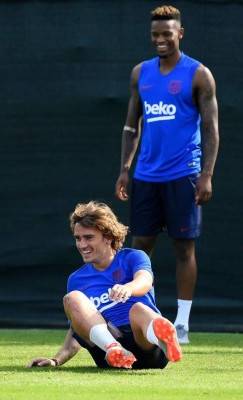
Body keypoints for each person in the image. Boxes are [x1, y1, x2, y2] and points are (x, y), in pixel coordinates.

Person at [115, 5, 219, 344]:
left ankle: (183, 324)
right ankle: (140, 316)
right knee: (139, 246)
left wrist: (206, 174)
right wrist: (125, 170)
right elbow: (132, 126)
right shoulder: (140, 73)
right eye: (155, 35)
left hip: (184, 175)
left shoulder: (198, 74)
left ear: (180, 34)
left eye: (167, 34)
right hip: (146, 176)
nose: (161, 40)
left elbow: (211, 129)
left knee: (183, 248)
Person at [27, 201, 182, 370]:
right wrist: (56, 360)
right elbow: (78, 327)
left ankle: (164, 339)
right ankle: (114, 349)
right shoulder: (76, 279)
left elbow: (145, 280)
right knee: (72, 299)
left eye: (89, 237)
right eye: (78, 238)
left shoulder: (134, 257)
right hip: (106, 349)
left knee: (139, 309)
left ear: (108, 236)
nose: (81, 245)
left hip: (145, 345)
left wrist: (128, 288)